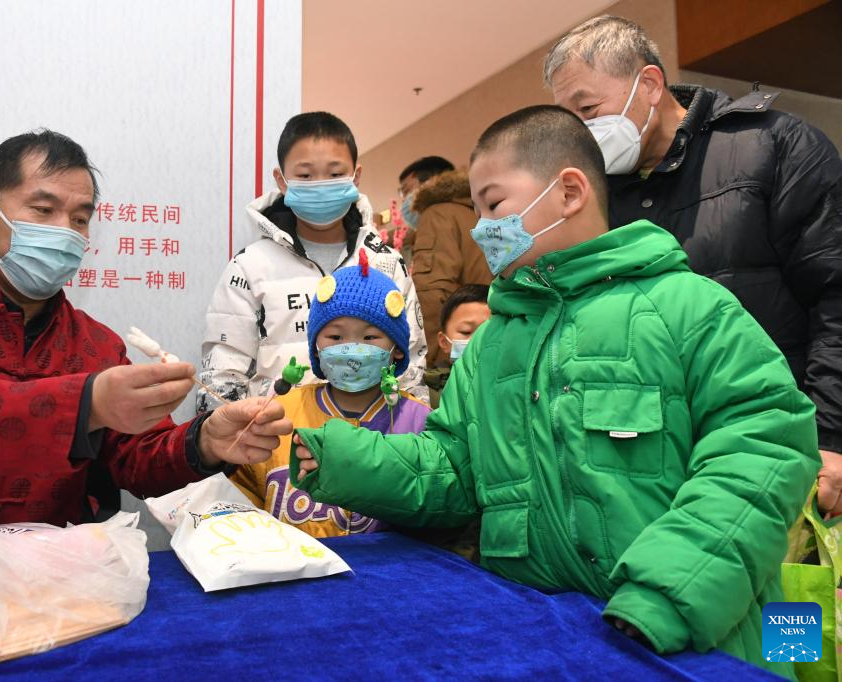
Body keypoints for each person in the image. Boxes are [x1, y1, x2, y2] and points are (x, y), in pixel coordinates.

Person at [291, 106, 819, 675]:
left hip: (687, 641)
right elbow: (452, 469)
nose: (480, 229)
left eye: (493, 205)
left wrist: (664, 593)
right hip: (538, 639)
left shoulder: (688, 308)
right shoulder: (490, 346)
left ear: (569, 192)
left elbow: (763, 450)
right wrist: (339, 456)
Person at [0, 130, 292, 526]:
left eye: (79, 219)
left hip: (41, 572)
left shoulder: (96, 344)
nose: (65, 231)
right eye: (42, 209)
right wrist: (86, 404)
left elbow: (136, 460)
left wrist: (204, 442)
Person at [544, 15, 842, 517]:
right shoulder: (594, 197)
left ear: (650, 84)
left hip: (777, 446)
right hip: (653, 467)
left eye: (588, 109)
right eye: (569, 120)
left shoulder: (773, 145)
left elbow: (834, 293)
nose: (582, 132)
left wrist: (832, 434)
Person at [198, 112, 428, 412]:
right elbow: (223, 373)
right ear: (282, 181)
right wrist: (231, 433)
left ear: (355, 176)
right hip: (276, 433)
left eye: (334, 174)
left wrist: (410, 427)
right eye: (306, 176)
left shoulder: (385, 263)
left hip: (375, 434)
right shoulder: (250, 266)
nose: (320, 185)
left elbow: (411, 364)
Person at [231, 256, 430, 537]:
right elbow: (240, 495)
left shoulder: (419, 423)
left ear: (396, 349)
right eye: (335, 338)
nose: (351, 349)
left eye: (370, 338)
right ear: (316, 346)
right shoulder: (280, 414)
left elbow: (434, 509)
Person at [401, 159, 493, 367]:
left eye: (406, 190)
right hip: (491, 342)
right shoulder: (477, 214)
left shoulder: (437, 214)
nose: (404, 199)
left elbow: (432, 293)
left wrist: (432, 360)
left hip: (455, 352)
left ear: (430, 182)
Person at [425, 284, 490, 410]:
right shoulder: (427, 397)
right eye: (466, 331)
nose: (477, 341)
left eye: (487, 332)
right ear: (444, 342)